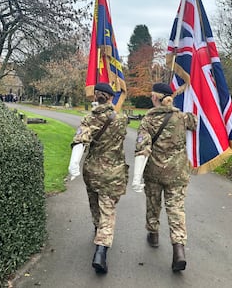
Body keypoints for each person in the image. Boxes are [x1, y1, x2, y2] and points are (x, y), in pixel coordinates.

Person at [132, 82, 197, 272]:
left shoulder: (148, 121)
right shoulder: (182, 117)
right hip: (177, 173)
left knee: (153, 204)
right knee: (176, 209)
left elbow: (142, 149)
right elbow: (195, 123)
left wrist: (136, 177)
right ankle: (179, 250)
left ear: (155, 98)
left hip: (154, 172)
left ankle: (153, 234)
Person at [68, 82, 129, 274]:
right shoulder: (121, 119)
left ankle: (98, 230)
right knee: (107, 210)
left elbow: (80, 141)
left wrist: (73, 165)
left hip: (92, 171)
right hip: (113, 173)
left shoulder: (89, 120)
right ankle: (101, 251)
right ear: (110, 97)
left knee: (95, 204)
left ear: (95, 97)